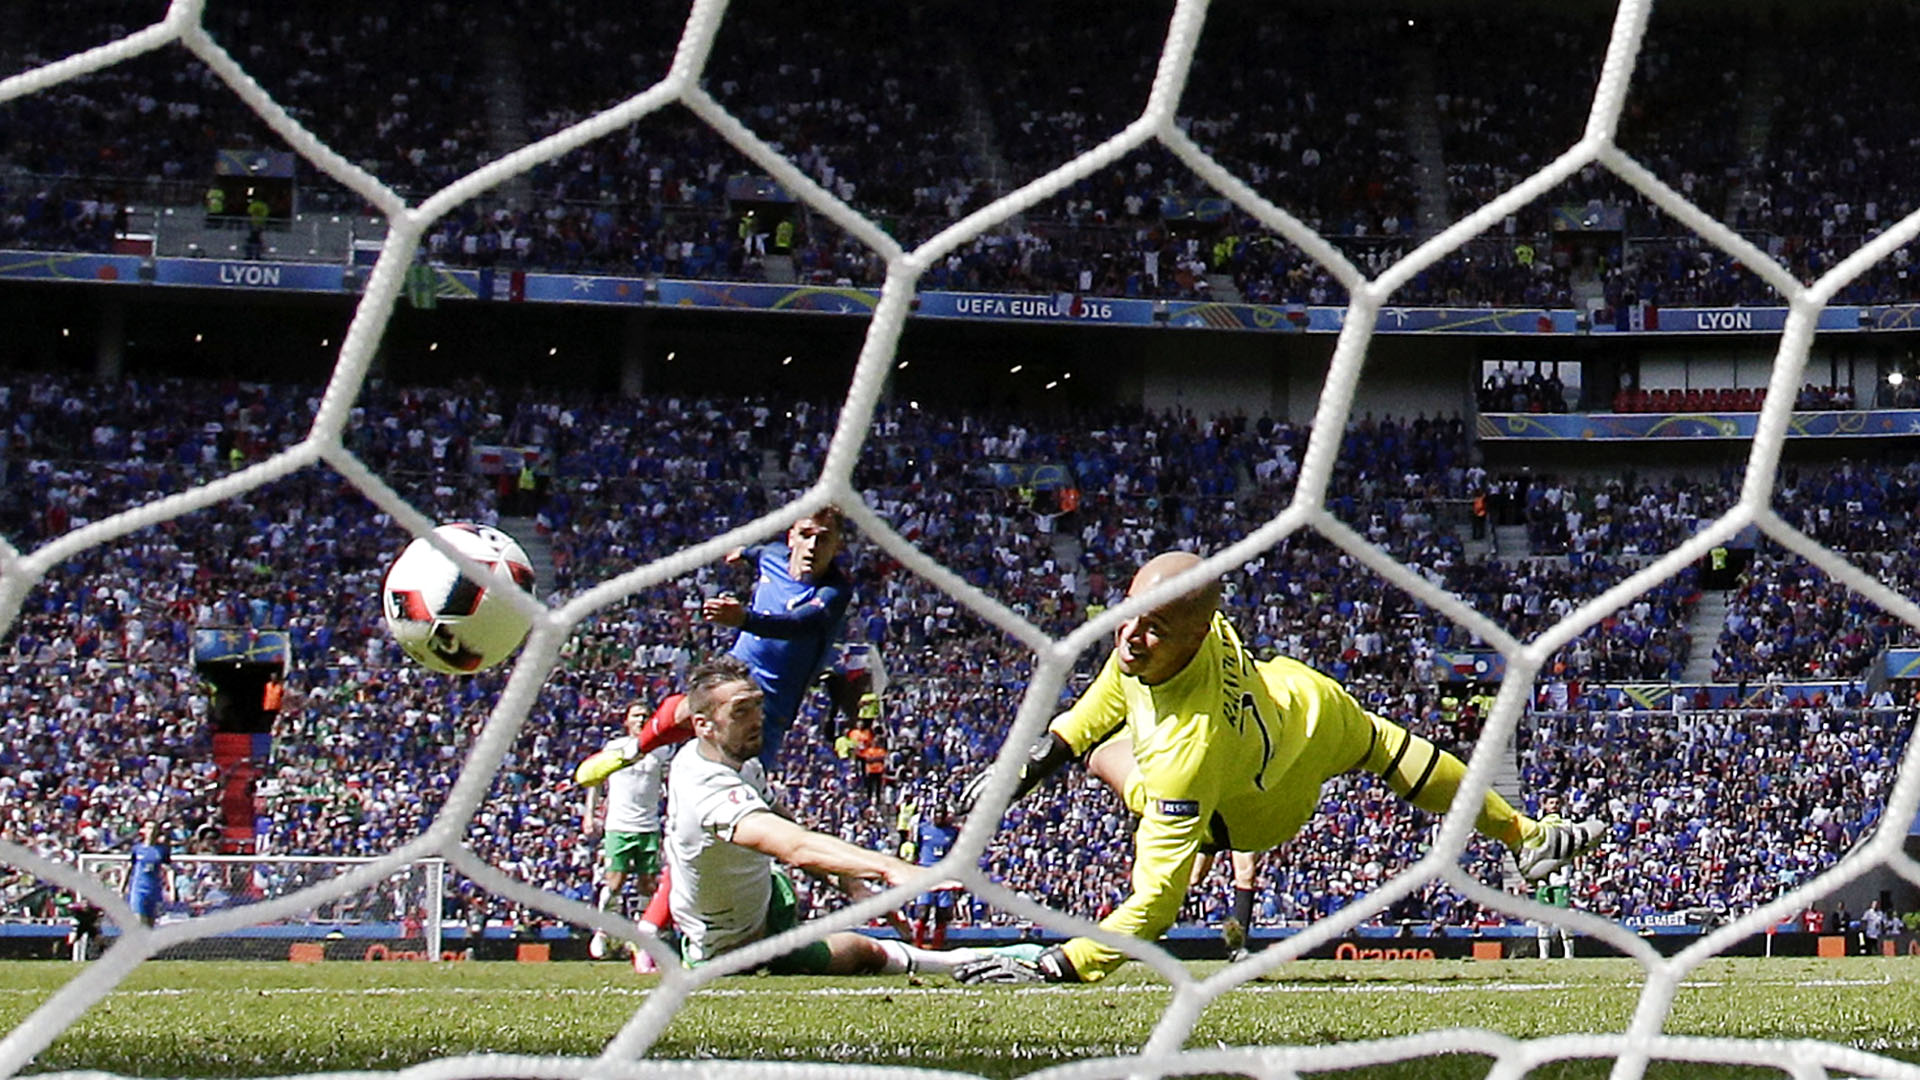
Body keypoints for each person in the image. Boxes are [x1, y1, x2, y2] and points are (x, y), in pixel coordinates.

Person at [954, 552, 1606, 984]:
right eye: (1126, 620)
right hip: (1304, 703)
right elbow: (1116, 684)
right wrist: (1040, 759)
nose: (1129, 638)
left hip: (1265, 806)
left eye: (1150, 629)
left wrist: (1061, 965)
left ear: (1191, 633)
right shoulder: (1184, 627)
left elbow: (1154, 907)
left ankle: (1196, 845)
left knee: (1110, 759)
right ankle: (1529, 836)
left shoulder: (1188, 752)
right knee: (1395, 751)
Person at [661, 656, 978, 975]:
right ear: (703, 725)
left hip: (765, 907)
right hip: (729, 947)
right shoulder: (703, 786)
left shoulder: (743, 764)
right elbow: (793, 846)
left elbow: (786, 825)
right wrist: (889, 867)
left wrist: (855, 887)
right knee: (861, 951)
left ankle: (977, 960)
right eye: (741, 711)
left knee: (858, 949)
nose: (757, 719)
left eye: (758, 705)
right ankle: (967, 962)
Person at [700, 506, 855, 768]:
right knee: (681, 711)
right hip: (734, 669)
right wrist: (741, 552)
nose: (813, 545)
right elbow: (758, 553)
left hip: (769, 705)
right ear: (791, 537)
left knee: (741, 775)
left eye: (824, 538)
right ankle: (636, 749)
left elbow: (797, 625)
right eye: (806, 535)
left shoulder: (834, 592)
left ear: (838, 546)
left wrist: (743, 619)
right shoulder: (772, 556)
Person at [575, 702, 675, 961]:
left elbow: (670, 783)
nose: (641, 719)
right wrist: (590, 814)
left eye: (645, 716)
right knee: (615, 881)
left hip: (649, 826)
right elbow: (595, 780)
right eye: (636, 716)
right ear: (626, 721)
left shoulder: (661, 750)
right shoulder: (614, 748)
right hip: (619, 825)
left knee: (647, 884)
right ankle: (603, 931)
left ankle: (643, 938)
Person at [910, 804, 963, 950]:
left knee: (942, 914)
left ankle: (937, 947)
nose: (939, 817)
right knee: (923, 912)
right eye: (937, 814)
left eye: (942, 814)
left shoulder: (953, 832)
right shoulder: (923, 829)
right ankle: (917, 945)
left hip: (944, 875)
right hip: (926, 873)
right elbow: (916, 849)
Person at [1532, 797, 1576, 959]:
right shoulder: (1538, 824)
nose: (1554, 806)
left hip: (1561, 872)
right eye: (1551, 803)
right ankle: (1543, 955)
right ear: (1544, 805)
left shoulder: (1567, 823)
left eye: (1557, 803)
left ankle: (1569, 954)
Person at [126, 821, 172, 928]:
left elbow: (168, 869)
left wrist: (171, 889)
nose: (151, 831)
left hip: (153, 891)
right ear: (144, 830)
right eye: (149, 828)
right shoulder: (137, 849)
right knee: (138, 922)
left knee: (149, 925)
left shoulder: (162, 850)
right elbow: (129, 867)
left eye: (154, 828)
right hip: (139, 890)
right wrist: (122, 887)